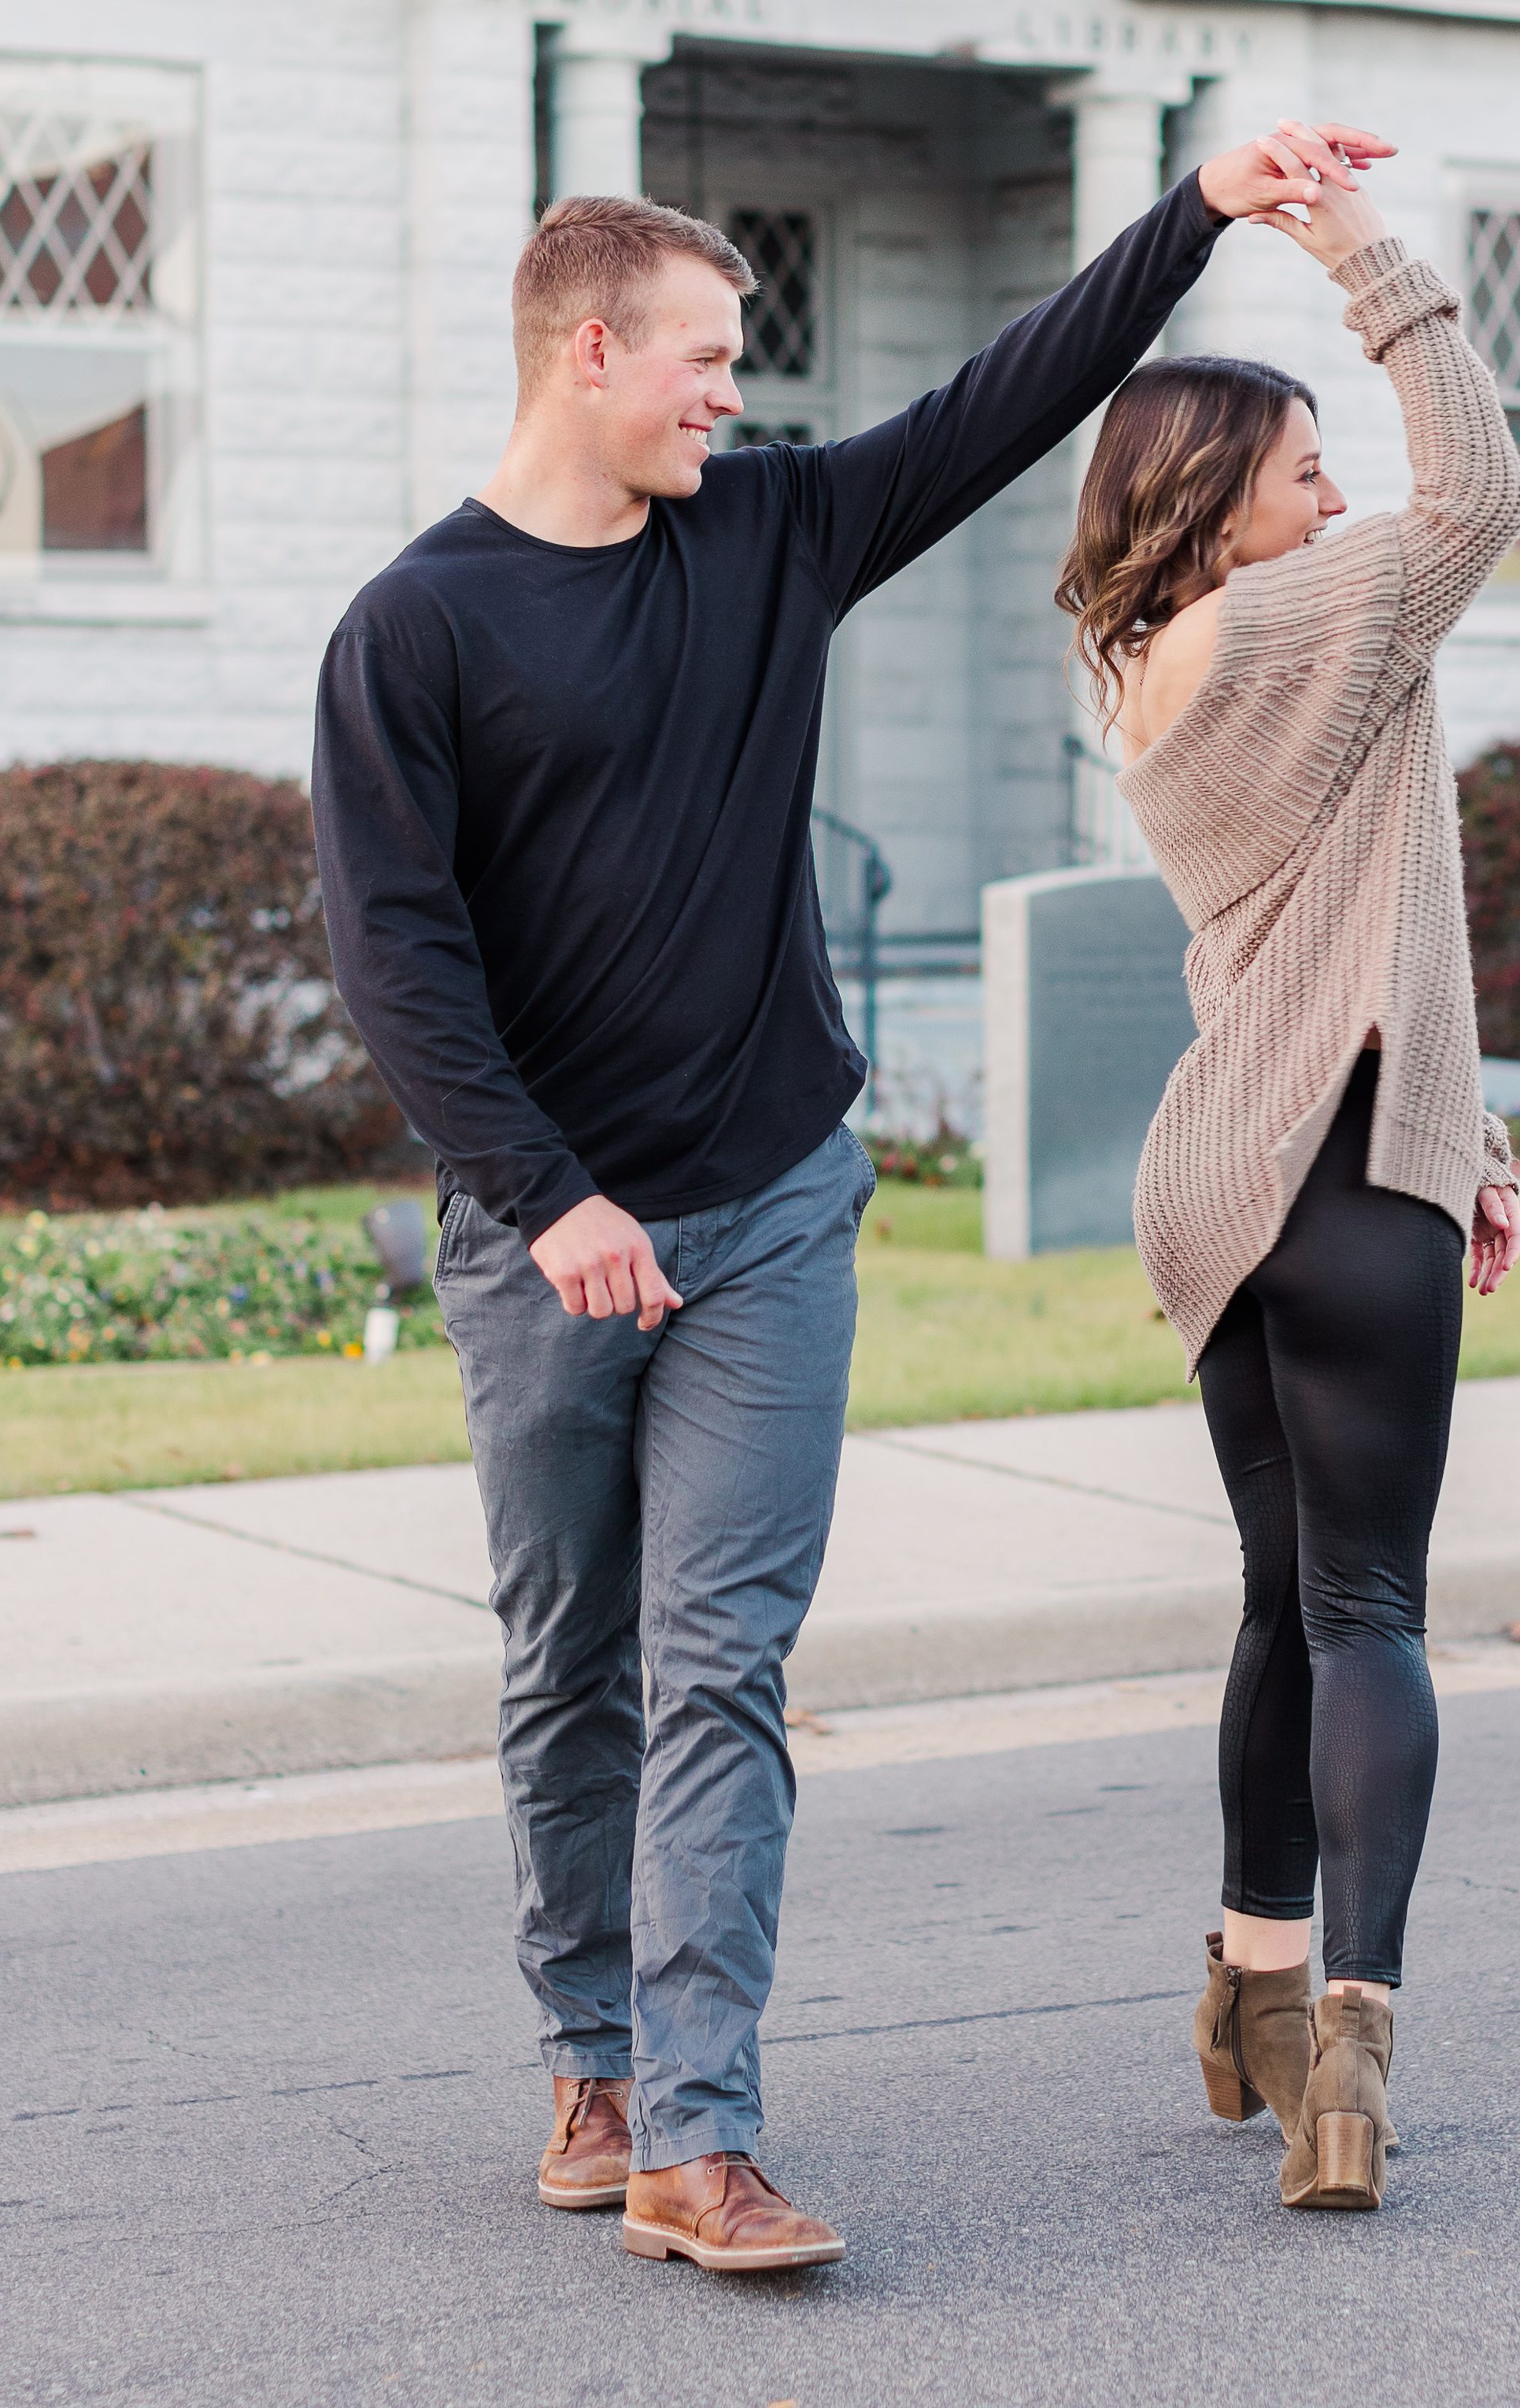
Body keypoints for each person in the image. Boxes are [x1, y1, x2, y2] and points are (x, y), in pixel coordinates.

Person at [310, 129, 1336, 2275]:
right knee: (572, 1660)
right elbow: (398, 960)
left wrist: (1205, 209)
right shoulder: (416, 628)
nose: (729, 398)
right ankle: (590, 2052)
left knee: (720, 1663)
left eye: (740, 367)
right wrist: (550, 1191)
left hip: (773, 1199)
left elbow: (1008, 395)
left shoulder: (771, 536)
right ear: (588, 353)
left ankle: (698, 2131)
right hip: (548, 1240)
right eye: (699, 359)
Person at [1056, 122, 1520, 2216]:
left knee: (1273, 1598)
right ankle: (1353, 2039)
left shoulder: (1152, 670)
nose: (1338, 499)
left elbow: (1355, 912)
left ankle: (1247, 1978)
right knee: (1373, 1608)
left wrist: (1481, 1122)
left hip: (1221, 1176)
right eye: (1302, 467)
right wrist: (1353, 244)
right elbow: (1488, 488)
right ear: (1222, 498)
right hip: (1354, 1181)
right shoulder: (1313, 614)